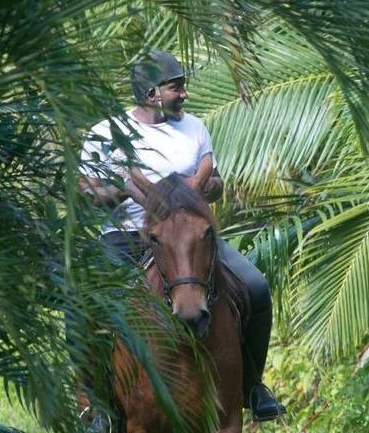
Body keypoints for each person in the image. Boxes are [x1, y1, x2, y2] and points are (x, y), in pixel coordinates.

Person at [78, 49, 285, 421]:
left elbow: (216, 181)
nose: (184, 95)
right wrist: (123, 189)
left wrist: (202, 188)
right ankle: (96, 404)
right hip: (125, 237)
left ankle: (253, 386)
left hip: (191, 236)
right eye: (177, 87)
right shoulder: (105, 133)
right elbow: (85, 191)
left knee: (255, 286)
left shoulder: (195, 128)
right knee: (85, 304)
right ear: (151, 93)